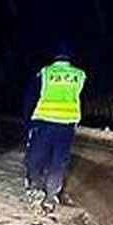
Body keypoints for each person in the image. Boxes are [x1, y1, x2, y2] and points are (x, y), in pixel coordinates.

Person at [22, 45, 87, 212]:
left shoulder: (45, 73)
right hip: (66, 125)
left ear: (54, 57)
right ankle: (51, 197)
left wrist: (27, 120)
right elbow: (81, 98)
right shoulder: (79, 75)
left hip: (43, 123)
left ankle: (35, 190)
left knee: (36, 158)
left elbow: (31, 96)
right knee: (58, 162)